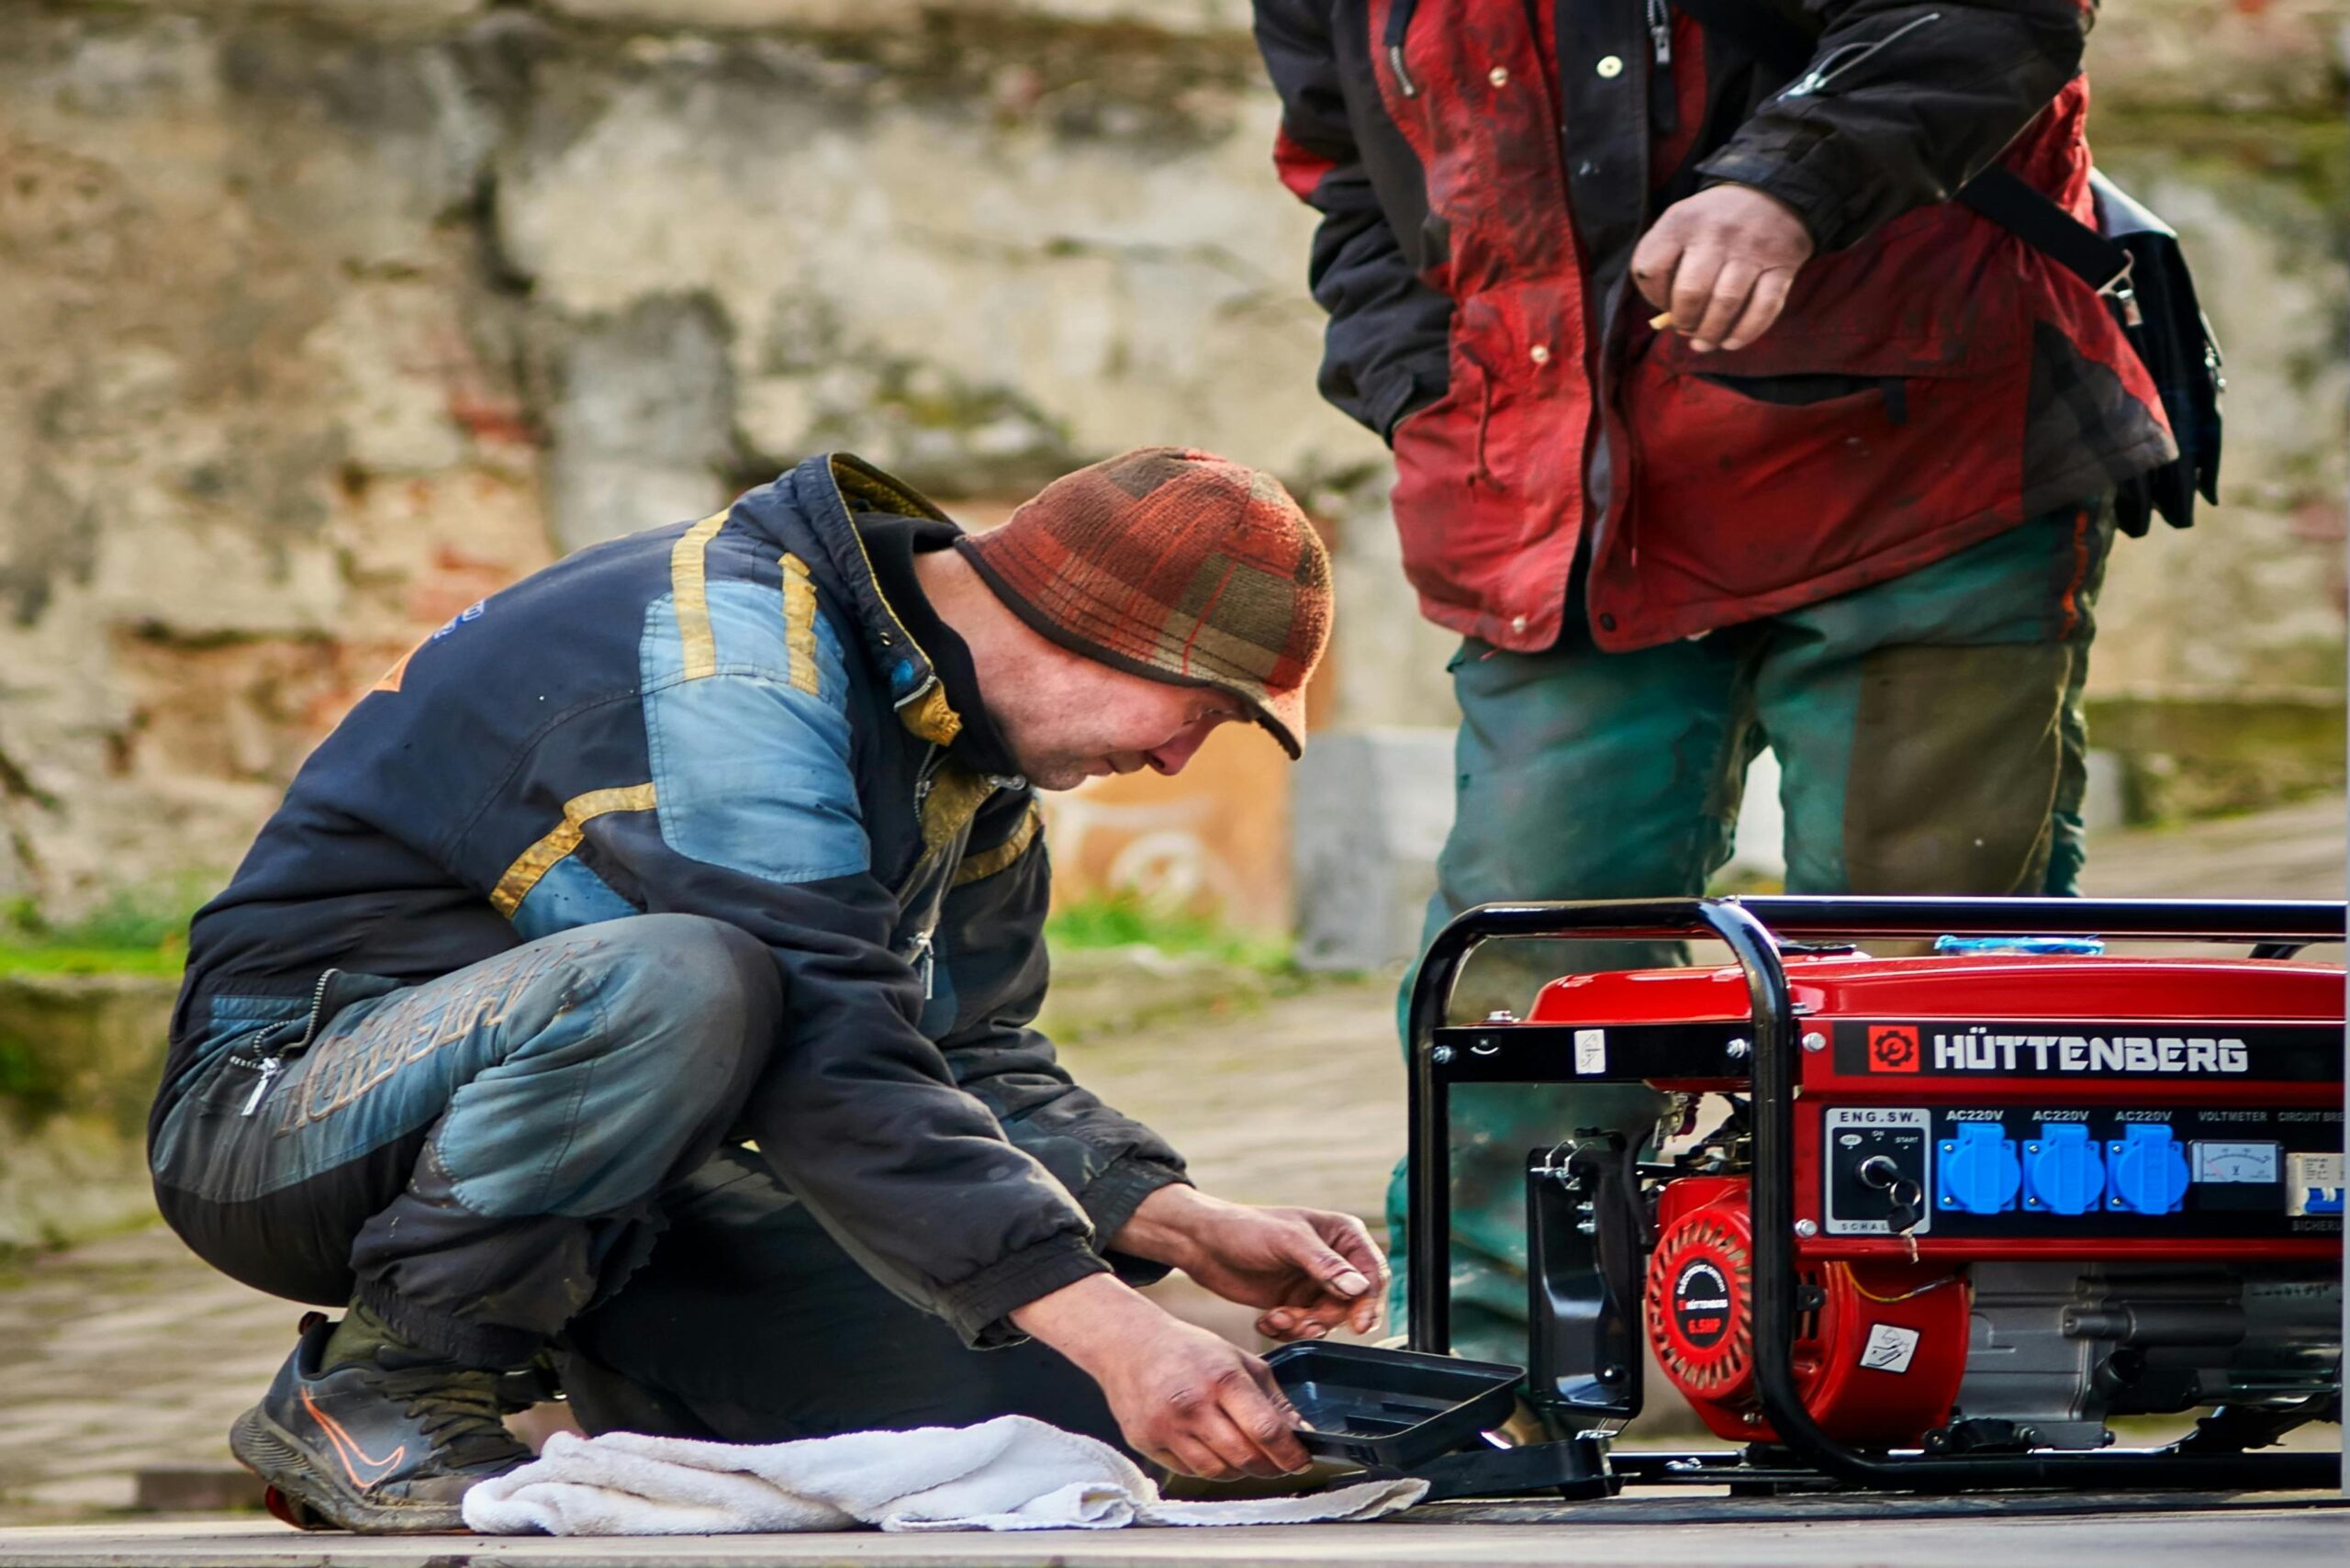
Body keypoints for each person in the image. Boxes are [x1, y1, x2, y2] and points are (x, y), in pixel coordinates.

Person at [150, 448, 1382, 1533]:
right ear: (1094, 621)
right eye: (1200, 713)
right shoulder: (734, 652)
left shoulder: (971, 752)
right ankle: (383, 1384)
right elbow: (814, 1028)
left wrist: (1174, 1218)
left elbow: (972, 1051)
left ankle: (588, 1399)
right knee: (697, 977)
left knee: (1058, 1414)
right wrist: (1115, 1324)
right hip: (277, 1116)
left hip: (630, 1168)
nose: (1178, 759)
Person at [1252, 0, 2174, 1360]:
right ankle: (1500, 1366)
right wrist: (1426, 387)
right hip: (1557, 494)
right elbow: (1347, 176)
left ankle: (1937, 1362)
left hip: (1916, 463)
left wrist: (1786, 183)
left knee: (1908, 960)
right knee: (1529, 963)